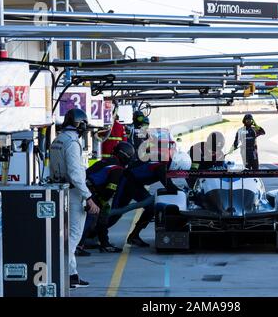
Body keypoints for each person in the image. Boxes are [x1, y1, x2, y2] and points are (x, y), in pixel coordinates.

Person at [94, 151, 192, 248]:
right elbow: (169, 186)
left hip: (136, 184)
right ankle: (91, 235)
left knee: (150, 208)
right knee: (114, 213)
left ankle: (134, 236)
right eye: (178, 170)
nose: (176, 173)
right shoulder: (161, 165)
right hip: (127, 182)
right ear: (176, 164)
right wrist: (185, 193)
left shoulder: (163, 160)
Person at [49, 108, 100, 289]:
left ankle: (72, 274)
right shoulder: (72, 143)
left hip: (60, 190)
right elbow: (75, 173)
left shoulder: (57, 140)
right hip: (73, 193)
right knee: (73, 235)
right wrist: (88, 197)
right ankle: (65, 273)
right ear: (81, 124)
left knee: (66, 234)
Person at [77, 141, 136, 254]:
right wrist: (103, 201)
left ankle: (104, 244)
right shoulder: (117, 168)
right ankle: (78, 246)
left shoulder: (106, 161)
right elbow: (110, 189)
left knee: (101, 217)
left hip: (86, 190)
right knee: (91, 218)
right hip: (90, 193)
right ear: (125, 155)